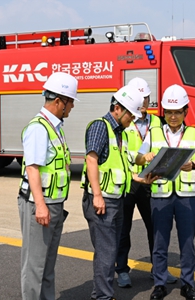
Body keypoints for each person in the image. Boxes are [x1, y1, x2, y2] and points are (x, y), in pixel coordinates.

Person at [136, 84, 195, 300]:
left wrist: (193, 165)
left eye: (177, 112)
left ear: (186, 111)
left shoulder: (194, 133)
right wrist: (145, 157)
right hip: (160, 195)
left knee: (187, 242)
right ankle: (159, 284)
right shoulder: (154, 132)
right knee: (160, 242)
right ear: (164, 113)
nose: (173, 116)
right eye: (169, 112)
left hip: (186, 196)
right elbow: (138, 157)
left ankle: (188, 284)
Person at [81, 85, 149, 300]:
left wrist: (141, 178)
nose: (132, 119)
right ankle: (103, 296)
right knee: (107, 251)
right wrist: (98, 195)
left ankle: (101, 294)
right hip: (102, 201)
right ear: (118, 109)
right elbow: (91, 160)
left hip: (115, 199)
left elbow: (120, 167)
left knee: (109, 249)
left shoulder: (120, 133)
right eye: (131, 114)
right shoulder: (101, 127)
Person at [18, 72, 78, 300]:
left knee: (48, 264)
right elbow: (32, 168)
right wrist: (41, 206)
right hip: (39, 205)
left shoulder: (55, 127)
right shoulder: (39, 128)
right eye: (70, 101)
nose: (72, 106)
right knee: (35, 266)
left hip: (53, 204)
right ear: (58, 102)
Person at [116, 77, 177, 288]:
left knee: (156, 228)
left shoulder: (157, 122)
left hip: (151, 182)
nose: (143, 103)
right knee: (123, 229)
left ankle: (158, 269)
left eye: (146, 98)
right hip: (129, 182)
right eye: (139, 98)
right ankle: (122, 270)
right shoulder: (123, 122)